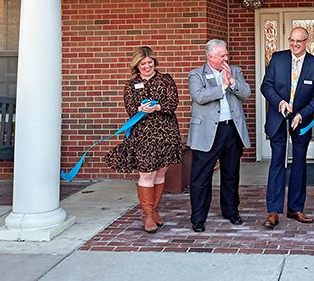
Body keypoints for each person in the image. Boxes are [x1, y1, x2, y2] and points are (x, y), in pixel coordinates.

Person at [105, 46, 184, 234]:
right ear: (137, 66)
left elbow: (173, 103)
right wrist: (140, 109)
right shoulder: (131, 85)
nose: (147, 66)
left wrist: (157, 108)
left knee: (160, 173)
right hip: (143, 135)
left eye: (150, 63)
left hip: (166, 133)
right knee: (147, 173)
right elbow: (130, 108)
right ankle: (147, 215)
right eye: (143, 64)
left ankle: (154, 211)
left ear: (155, 63)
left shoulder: (166, 80)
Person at [260, 26, 314, 228]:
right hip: (278, 117)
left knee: (299, 163)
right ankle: (273, 210)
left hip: (301, 120)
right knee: (277, 161)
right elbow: (266, 86)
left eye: (299, 41)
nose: (295, 45)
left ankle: (295, 208)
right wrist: (279, 102)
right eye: (292, 41)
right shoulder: (278, 59)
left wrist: (301, 114)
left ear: (307, 42)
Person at [187, 39, 251, 233]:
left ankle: (231, 211)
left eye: (226, 54)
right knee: (201, 177)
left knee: (231, 174)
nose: (226, 58)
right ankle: (198, 218)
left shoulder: (235, 71)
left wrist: (231, 82)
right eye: (222, 55)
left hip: (231, 129)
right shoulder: (197, 74)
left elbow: (246, 93)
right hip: (207, 132)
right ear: (210, 57)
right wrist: (222, 87)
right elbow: (199, 96)